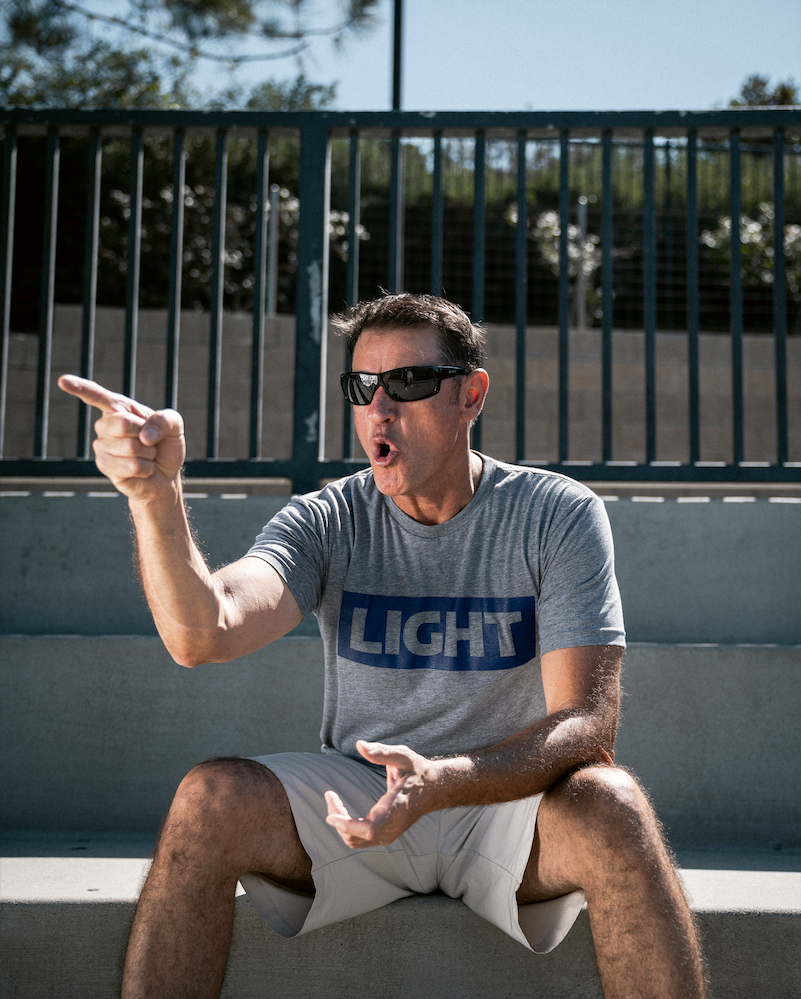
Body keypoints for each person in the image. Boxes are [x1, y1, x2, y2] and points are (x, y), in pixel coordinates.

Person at [59, 293, 705, 999]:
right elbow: (201, 633)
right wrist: (154, 494)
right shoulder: (327, 517)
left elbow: (588, 724)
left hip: (505, 801)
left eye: (408, 382)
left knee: (612, 802)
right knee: (208, 797)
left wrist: (443, 780)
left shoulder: (555, 513)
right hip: (360, 800)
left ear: (470, 395)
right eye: (362, 387)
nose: (380, 409)